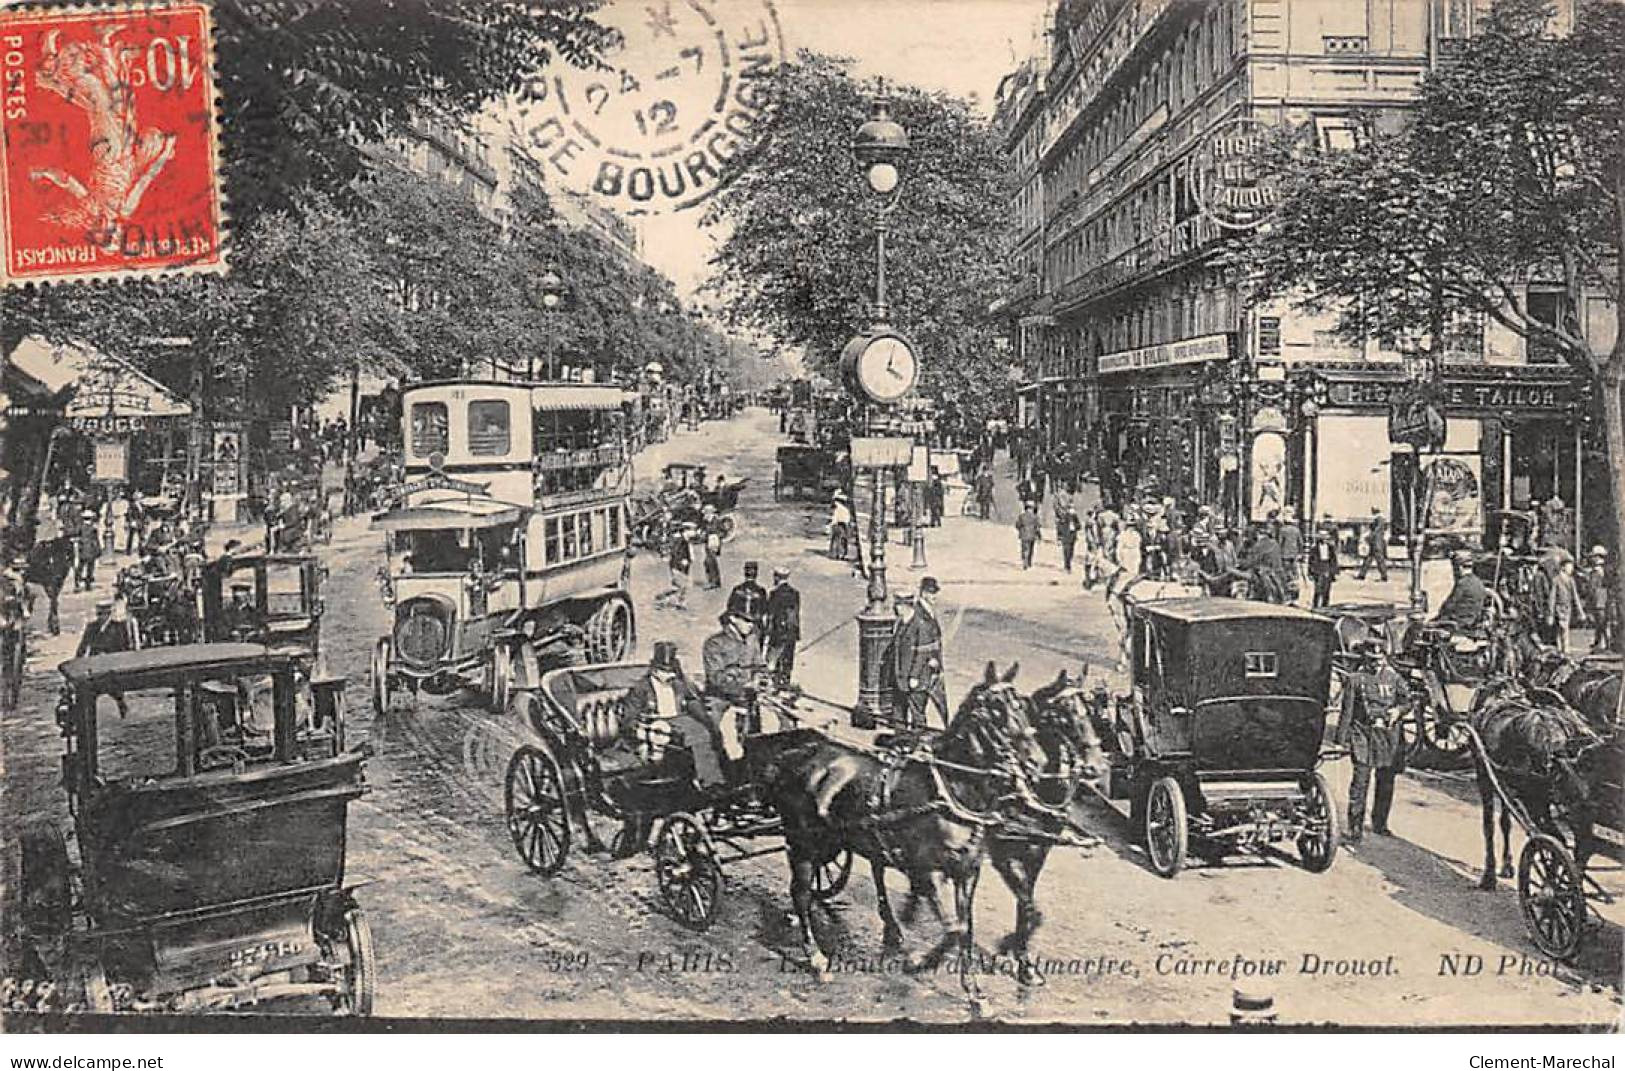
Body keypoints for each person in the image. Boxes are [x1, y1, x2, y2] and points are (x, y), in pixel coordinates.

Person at [1340, 638, 1409, 843]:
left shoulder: (1394, 678)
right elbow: (1347, 711)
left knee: (1386, 782)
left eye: (1380, 659)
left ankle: (1380, 823)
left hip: (1388, 736)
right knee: (1360, 783)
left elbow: (1407, 701)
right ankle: (1355, 828)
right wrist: (1341, 740)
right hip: (1364, 735)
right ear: (1365, 659)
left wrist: (1398, 710)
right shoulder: (1355, 680)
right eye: (1372, 660)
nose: (1377, 664)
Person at [702, 610, 767, 760]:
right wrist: (743, 685)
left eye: (752, 622)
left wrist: (760, 679)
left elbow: (760, 666)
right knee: (720, 741)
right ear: (732, 618)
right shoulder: (715, 643)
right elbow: (716, 679)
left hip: (748, 700)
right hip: (720, 701)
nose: (750, 625)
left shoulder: (752, 640)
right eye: (746, 621)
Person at [891, 576, 948, 729]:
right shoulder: (914, 617)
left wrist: (930, 663)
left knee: (917, 710)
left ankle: (916, 740)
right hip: (911, 673)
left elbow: (924, 648)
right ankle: (903, 740)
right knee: (904, 710)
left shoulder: (921, 618)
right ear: (923, 593)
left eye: (935, 593)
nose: (934, 596)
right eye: (931, 593)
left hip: (920, 673)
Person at [76, 598, 138, 718]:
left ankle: (121, 702)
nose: (100, 617)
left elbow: (123, 648)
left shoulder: (118, 628)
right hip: (94, 663)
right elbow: (83, 647)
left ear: (108, 614)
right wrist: (77, 662)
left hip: (112, 662)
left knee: (112, 684)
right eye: (98, 614)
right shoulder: (91, 627)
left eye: (102, 614)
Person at [1434, 550, 1491, 632]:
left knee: (1430, 626)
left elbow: (1451, 604)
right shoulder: (1478, 582)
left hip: (1460, 621)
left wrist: (1441, 613)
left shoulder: (1463, 583)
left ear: (1459, 567)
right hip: (1473, 620)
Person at [764, 567, 801, 687]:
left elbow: (770, 614)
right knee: (788, 657)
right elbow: (796, 613)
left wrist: (767, 632)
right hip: (791, 631)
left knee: (774, 656)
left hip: (778, 631)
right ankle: (785, 681)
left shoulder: (774, 594)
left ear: (776, 577)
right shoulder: (795, 593)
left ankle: (775, 681)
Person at [1547, 556, 1585, 654]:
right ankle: (1562, 648)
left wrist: (1581, 612)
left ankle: (1563, 648)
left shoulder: (1571, 580)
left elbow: (1575, 596)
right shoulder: (1556, 580)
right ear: (1563, 567)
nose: (1571, 569)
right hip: (1558, 607)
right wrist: (1550, 614)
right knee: (1562, 627)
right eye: (1569, 566)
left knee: (1564, 627)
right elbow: (1552, 597)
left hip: (1568, 607)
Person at [727, 561, 768, 650]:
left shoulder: (737, 589)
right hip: (755, 626)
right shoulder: (761, 591)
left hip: (739, 624)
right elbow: (764, 610)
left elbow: (730, 607)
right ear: (756, 574)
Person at [1582, 547, 1616, 652]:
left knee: (1602, 622)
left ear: (1598, 557)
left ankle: (1605, 643)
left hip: (1600, 599)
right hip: (1602, 599)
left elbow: (1593, 587)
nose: (1592, 559)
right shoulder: (1605, 569)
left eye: (1593, 556)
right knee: (1601, 622)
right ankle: (1599, 642)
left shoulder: (1598, 571)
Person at [655, 527, 694, 610]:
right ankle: (662, 598)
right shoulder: (680, 541)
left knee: (682, 586)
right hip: (678, 566)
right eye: (691, 530)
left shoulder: (685, 540)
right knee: (681, 585)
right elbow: (675, 553)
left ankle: (679, 602)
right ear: (685, 531)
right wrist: (681, 562)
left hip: (683, 566)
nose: (693, 533)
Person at [1307, 526, 1340, 609]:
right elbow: (1311, 561)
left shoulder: (1331, 548)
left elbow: (1333, 560)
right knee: (1318, 589)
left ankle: (1325, 606)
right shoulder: (1314, 548)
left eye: (1325, 538)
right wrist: (1310, 572)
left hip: (1327, 567)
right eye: (1322, 538)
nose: (1324, 539)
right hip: (1318, 568)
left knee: (1327, 589)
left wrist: (1334, 571)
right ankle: (1315, 606)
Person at [1355, 507, 1388, 581]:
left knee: (1378, 560)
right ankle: (1362, 575)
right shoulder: (1379, 519)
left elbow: (1376, 531)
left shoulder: (1379, 520)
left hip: (1377, 543)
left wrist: (1368, 537)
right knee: (1369, 559)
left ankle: (1384, 576)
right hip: (1376, 543)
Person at [1279, 507, 1304, 600]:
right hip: (1294, 556)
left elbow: (1280, 543)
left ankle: (1287, 595)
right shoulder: (1296, 530)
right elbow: (1300, 543)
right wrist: (1300, 554)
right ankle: (1295, 595)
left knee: (1286, 575)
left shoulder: (1283, 530)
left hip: (1284, 556)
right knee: (1294, 576)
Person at [74, 510, 101, 592]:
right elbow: (96, 540)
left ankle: (77, 583)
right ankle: (88, 585)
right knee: (90, 568)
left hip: (83, 549)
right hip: (91, 549)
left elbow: (76, 536)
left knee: (80, 567)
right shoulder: (93, 528)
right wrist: (98, 549)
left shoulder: (80, 527)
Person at [1015, 501, 1042, 570]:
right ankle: (1029, 562)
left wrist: (1021, 530)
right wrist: (1039, 536)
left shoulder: (1021, 516)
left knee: (1024, 549)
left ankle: (1025, 561)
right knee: (1031, 549)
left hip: (1024, 535)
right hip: (1032, 535)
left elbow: (1017, 525)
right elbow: (1038, 526)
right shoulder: (1035, 517)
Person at [701, 510, 723, 590]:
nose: (704, 515)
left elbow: (722, 532)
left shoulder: (716, 521)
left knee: (710, 562)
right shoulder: (706, 522)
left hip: (714, 543)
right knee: (708, 562)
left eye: (706, 513)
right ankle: (714, 581)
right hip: (708, 543)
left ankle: (713, 582)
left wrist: (716, 537)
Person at [829, 492, 853, 561]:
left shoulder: (839, 509)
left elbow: (835, 518)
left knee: (838, 539)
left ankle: (837, 554)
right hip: (843, 525)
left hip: (839, 525)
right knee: (842, 540)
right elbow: (847, 519)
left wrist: (832, 524)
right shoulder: (845, 509)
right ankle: (842, 554)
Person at [1057, 503, 1080, 573]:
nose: (1071, 510)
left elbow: (1079, 526)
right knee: (1066, 552)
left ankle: (1068, 564)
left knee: (1071, 552)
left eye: (1072, 508)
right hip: (1065, 536)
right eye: (1070, 508)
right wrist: (1059, 537)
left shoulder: (1075, 517)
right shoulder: (1064, 516)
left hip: (1072, 536)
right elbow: (1060, 527)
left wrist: (1075, 525)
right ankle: (1067, 566)